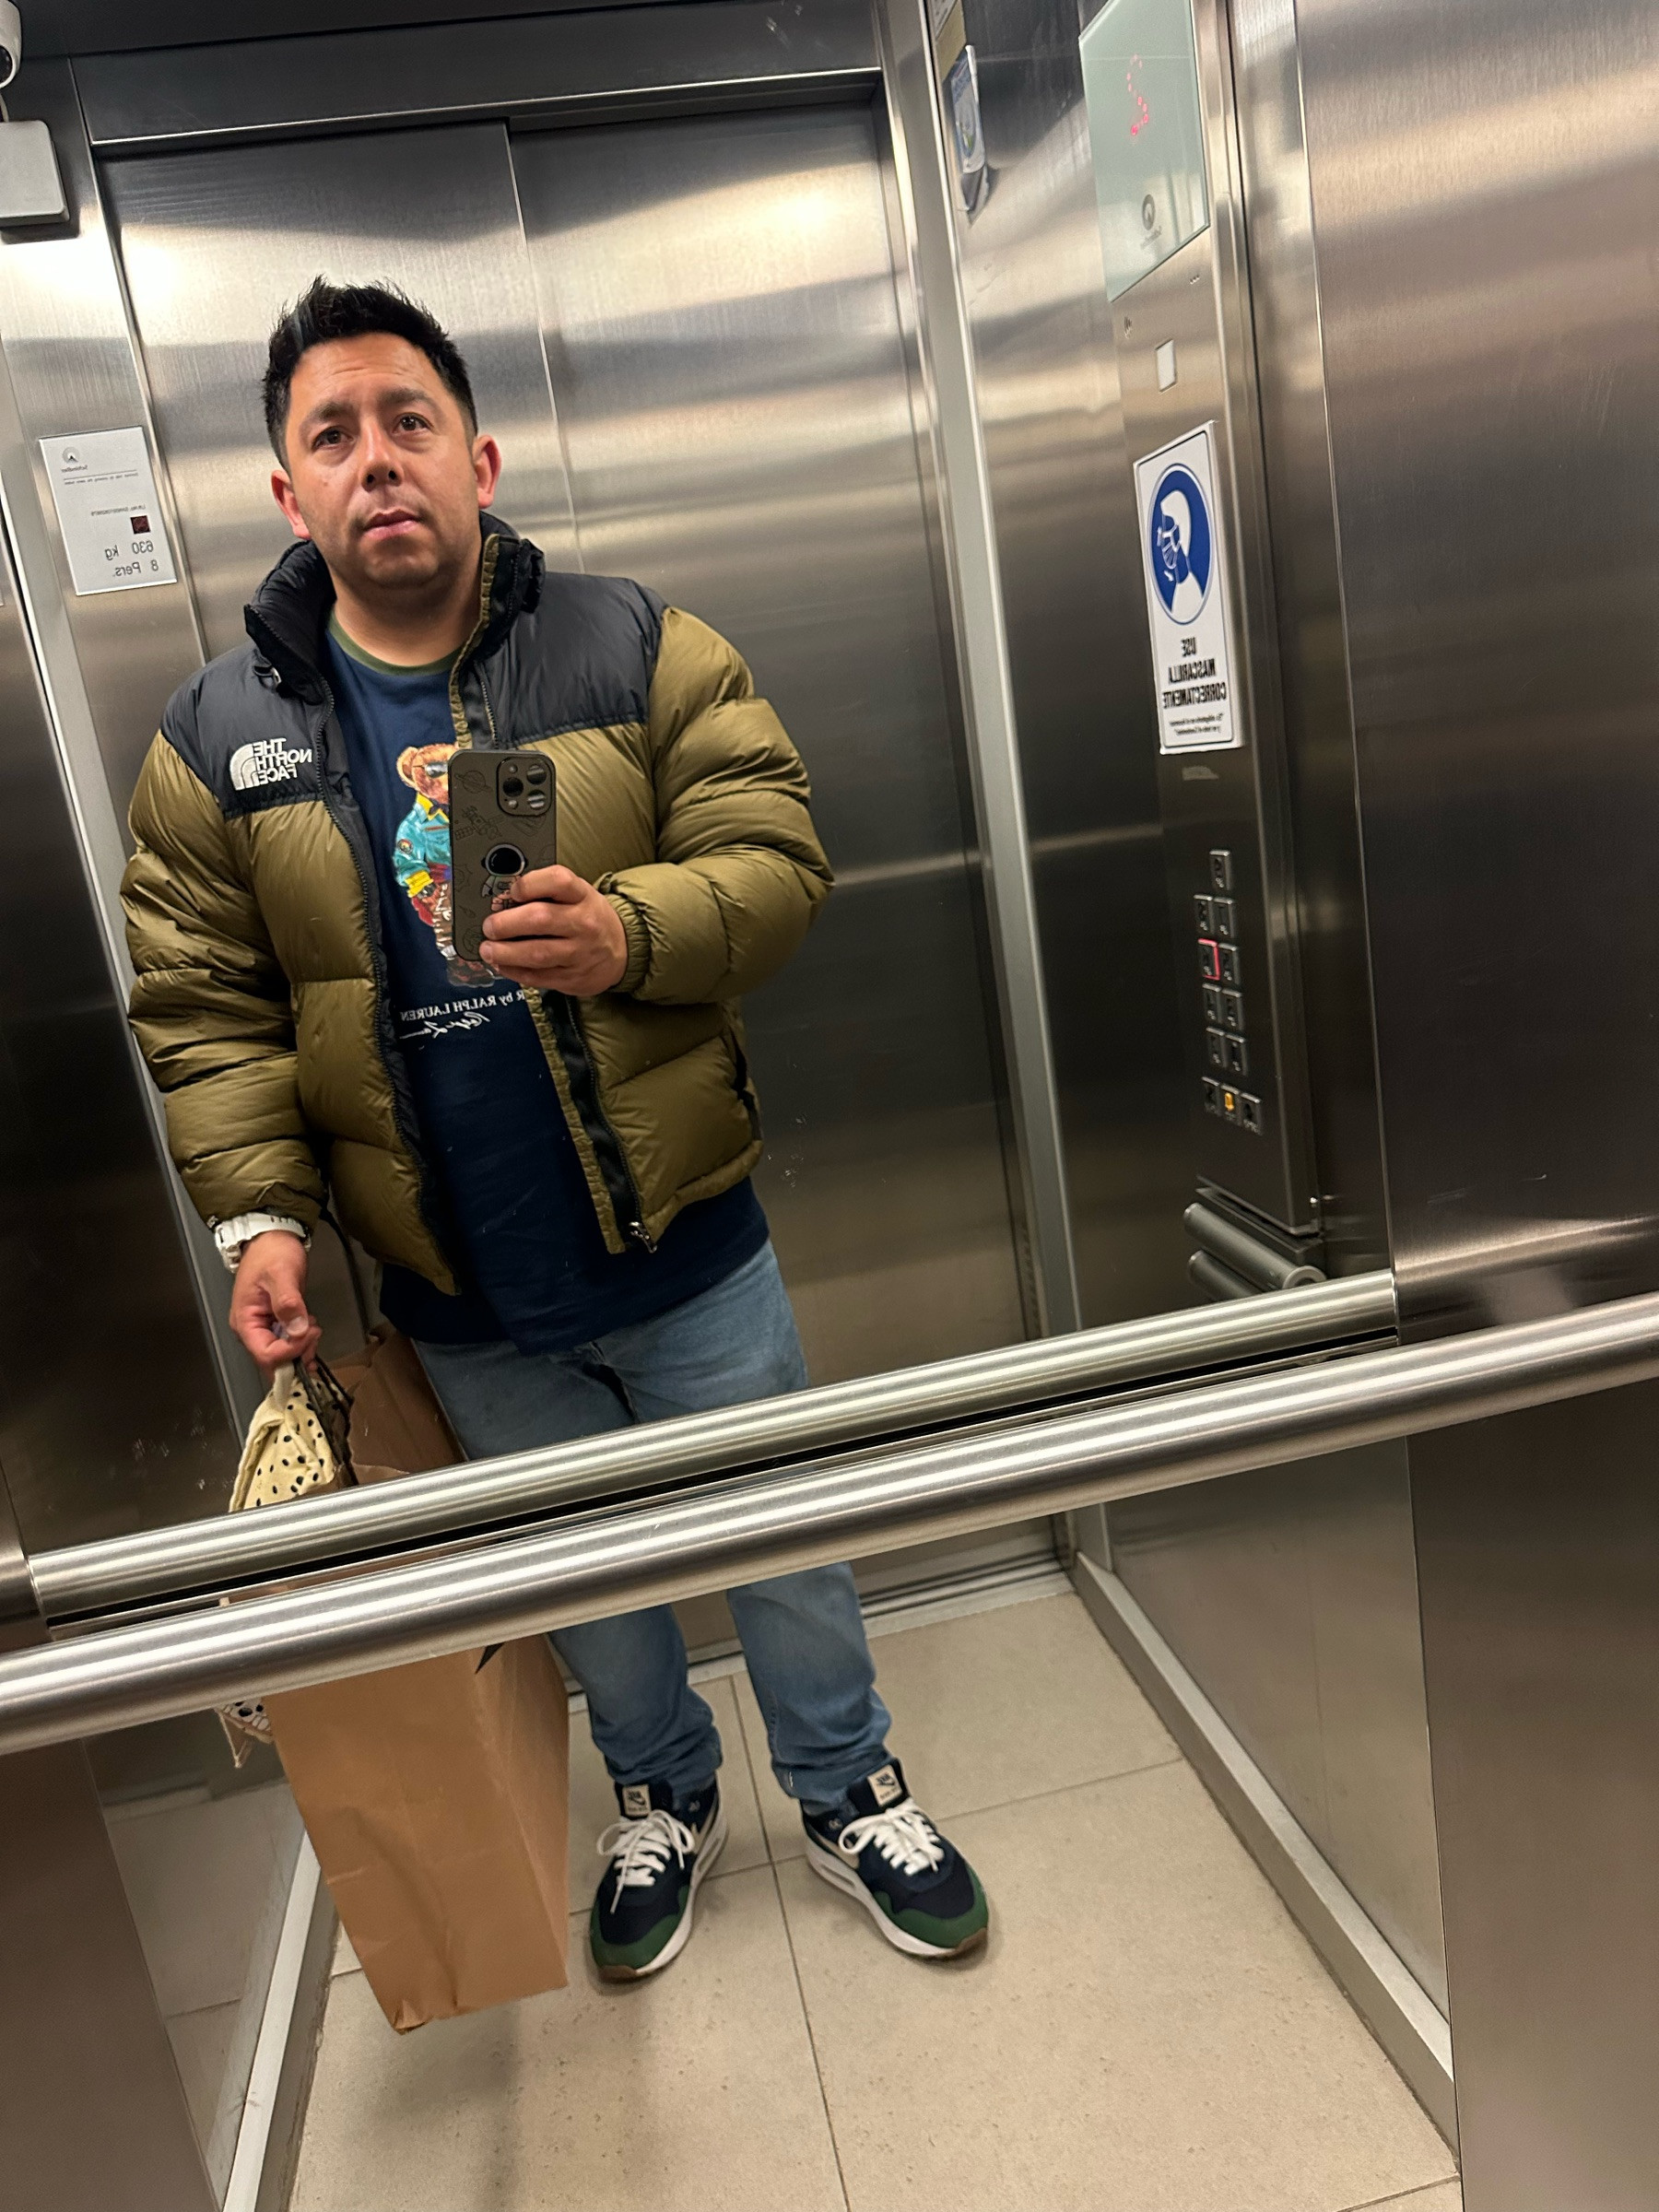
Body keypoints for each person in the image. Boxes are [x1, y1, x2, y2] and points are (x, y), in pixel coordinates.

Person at [121, 278, 989, 1980]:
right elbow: (205, 1004)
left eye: (410, 421)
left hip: (686, 1244)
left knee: (781, 1536)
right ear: (288, 493)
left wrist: (628, 936)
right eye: (332, 435)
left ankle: (845, 1784)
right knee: (581, 1577)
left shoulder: (633, 644)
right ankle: (661, 1793)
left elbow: (775, 855)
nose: (378, 460)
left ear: (481, 458)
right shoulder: (218, 738)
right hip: (459, 1287)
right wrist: (262, 1220)